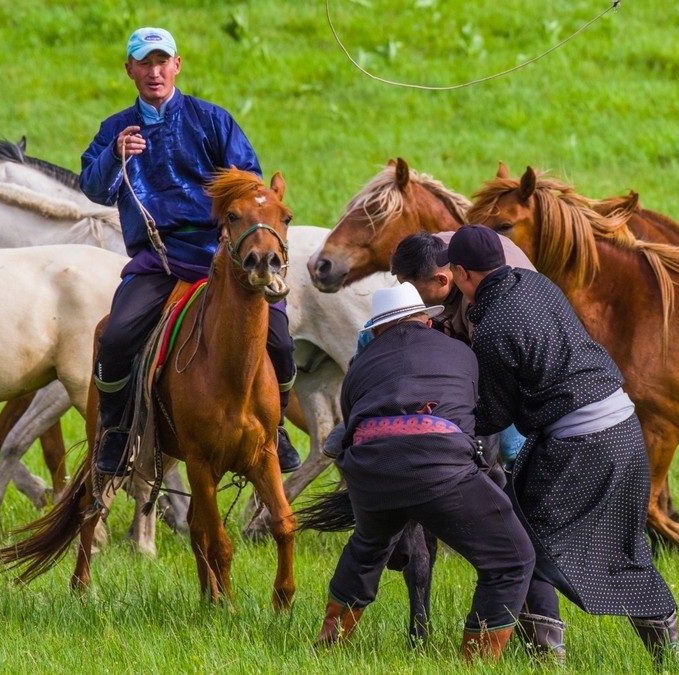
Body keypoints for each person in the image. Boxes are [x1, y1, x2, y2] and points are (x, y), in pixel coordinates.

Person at [443, 225, 679, 666]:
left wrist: (444, 417)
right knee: (627, 545)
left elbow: (494, 416)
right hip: (625, 428)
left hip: (582, 441)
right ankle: (669, 654)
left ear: (461, 273)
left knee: (523, 538)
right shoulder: (535, 283)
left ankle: (546, 657)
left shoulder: (494, 328)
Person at [80, 27, 300, 478]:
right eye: (144, 63)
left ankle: (275, 430)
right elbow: (94, 189)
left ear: (177, 65)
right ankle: (118, 428)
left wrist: (232, 232)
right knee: (116, 337)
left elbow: (251, 184)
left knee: (278, 339)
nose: (154, 72)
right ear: (130, 70)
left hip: (222, 259)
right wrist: (113, 156)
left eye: (163, 62)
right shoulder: (114, 130)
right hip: (158, 262)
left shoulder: (212, 121)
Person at [315, 283, 535, 661]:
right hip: (442, 467)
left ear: (377, 330)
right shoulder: (461, 353)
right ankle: (476, 662)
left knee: (366, 550)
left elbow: (350, 423)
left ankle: (328, 643)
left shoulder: (360, 367)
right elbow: (478, 413)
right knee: (513, 558)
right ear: (426, 321)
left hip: (371, 472)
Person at [390, 231, 533, 469]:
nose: (409, 297)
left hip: (513, 350)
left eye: (413, 291)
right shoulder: (434, 250)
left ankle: (516, 455)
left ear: (442, 280)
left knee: (508, 444)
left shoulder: (483, 313)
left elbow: (492, 371)